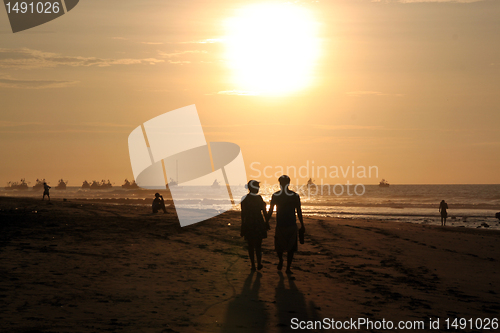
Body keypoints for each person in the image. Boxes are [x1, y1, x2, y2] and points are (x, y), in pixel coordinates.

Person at [266, 175, 305, 274]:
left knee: (281, 246)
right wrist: (302, 224)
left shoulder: (277, 195)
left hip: (284, 224)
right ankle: (285, 265)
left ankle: (286, 265)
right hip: (289, 224)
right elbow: (299, 211)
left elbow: (270, 210)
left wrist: (265, 221)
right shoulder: (294, 196)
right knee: (289, 247)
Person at [240, 180, 268, 271]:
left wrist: (242, 225)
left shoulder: (245, 198)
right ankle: (258, 263)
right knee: (258, 245)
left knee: (251, 245)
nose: (258, 188)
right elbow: (264, 211)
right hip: (258, 222)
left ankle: (253, 265)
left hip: (249, 223)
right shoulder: (258, 198)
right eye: (257, 187)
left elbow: (243, 213)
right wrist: (266, 222)